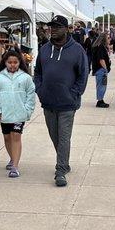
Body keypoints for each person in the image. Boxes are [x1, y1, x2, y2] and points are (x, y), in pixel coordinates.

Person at [34, 15, 88, 187]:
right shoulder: (44, 49)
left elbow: (83, 75)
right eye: (52, 26)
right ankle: (64, 161)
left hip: (67, 103)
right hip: (48, 101)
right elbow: (38, 72)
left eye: (57, 27)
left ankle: (60, 170)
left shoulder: (77, 50)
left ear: (66, 29)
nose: (53, 29)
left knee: (64, 137)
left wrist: (74, 94)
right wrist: (39, 89)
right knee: (54, 136)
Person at [0, 49, 35, 178]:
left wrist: (27, 110)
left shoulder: (26, 78)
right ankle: (12, 157)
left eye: (15, 62)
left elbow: (31, 95)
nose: (12, 65)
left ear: (20, 62)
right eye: (10, 62)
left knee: (16, 136)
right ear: (5, 63)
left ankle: (15, 166)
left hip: (19, 114)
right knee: (7, 137)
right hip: (4, 114)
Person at [91, 32, 111, 108]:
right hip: (101, 69)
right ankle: (100, 101)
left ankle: (100, 100)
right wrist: (105, 69)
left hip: (98, 69)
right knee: (102, 86)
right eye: (108, 38)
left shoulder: (98, 46)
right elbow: (101, 59)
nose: (109, 39)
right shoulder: (100, 47)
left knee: (101, 85)